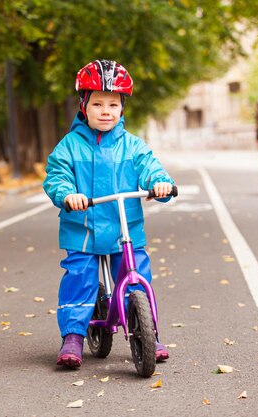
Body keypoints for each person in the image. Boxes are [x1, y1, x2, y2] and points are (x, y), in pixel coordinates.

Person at [43, 60, 174, 368]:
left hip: (123, 229)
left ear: (122, 108)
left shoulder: (132, 146)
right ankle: (73, 336)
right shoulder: (70, 146)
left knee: (137, 276)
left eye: (113, 104)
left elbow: (149, 167)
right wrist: (66, 194)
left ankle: (148, 333)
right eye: (98, 104)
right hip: (83, 228)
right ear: (83, 106)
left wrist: (159, 183)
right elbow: (57, 175)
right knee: (79, 277)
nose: (106, 111)